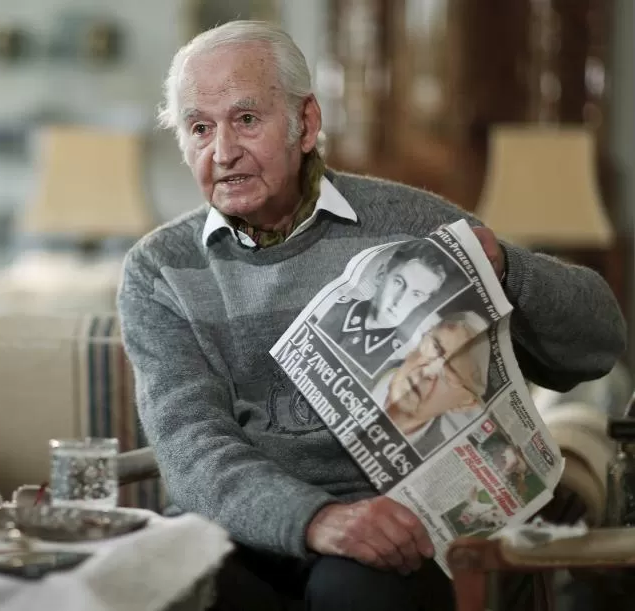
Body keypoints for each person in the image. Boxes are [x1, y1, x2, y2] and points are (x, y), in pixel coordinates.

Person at [117, 20, 626, 611]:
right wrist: (318, 518)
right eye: (199, 128)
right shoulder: (159, 269)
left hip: (393, 536)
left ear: (306, 124)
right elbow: (191, 447)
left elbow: (598, 344)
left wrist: (511, 268)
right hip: (239, 532)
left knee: (364, 589)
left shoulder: (406, 222)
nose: (223, 151)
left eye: (247, 119)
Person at [315, 240, 451, 376]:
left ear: (423, 301)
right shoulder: (329, 308)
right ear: (381, 274)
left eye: (416, 294)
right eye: (398, 282)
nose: (399, 301)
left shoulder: (396, 360)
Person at [375, 311, 491, 458]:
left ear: (466, 403)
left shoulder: (440, 458)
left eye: (452, 373)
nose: (427, 372)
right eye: (435, 346)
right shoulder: (358, 358)